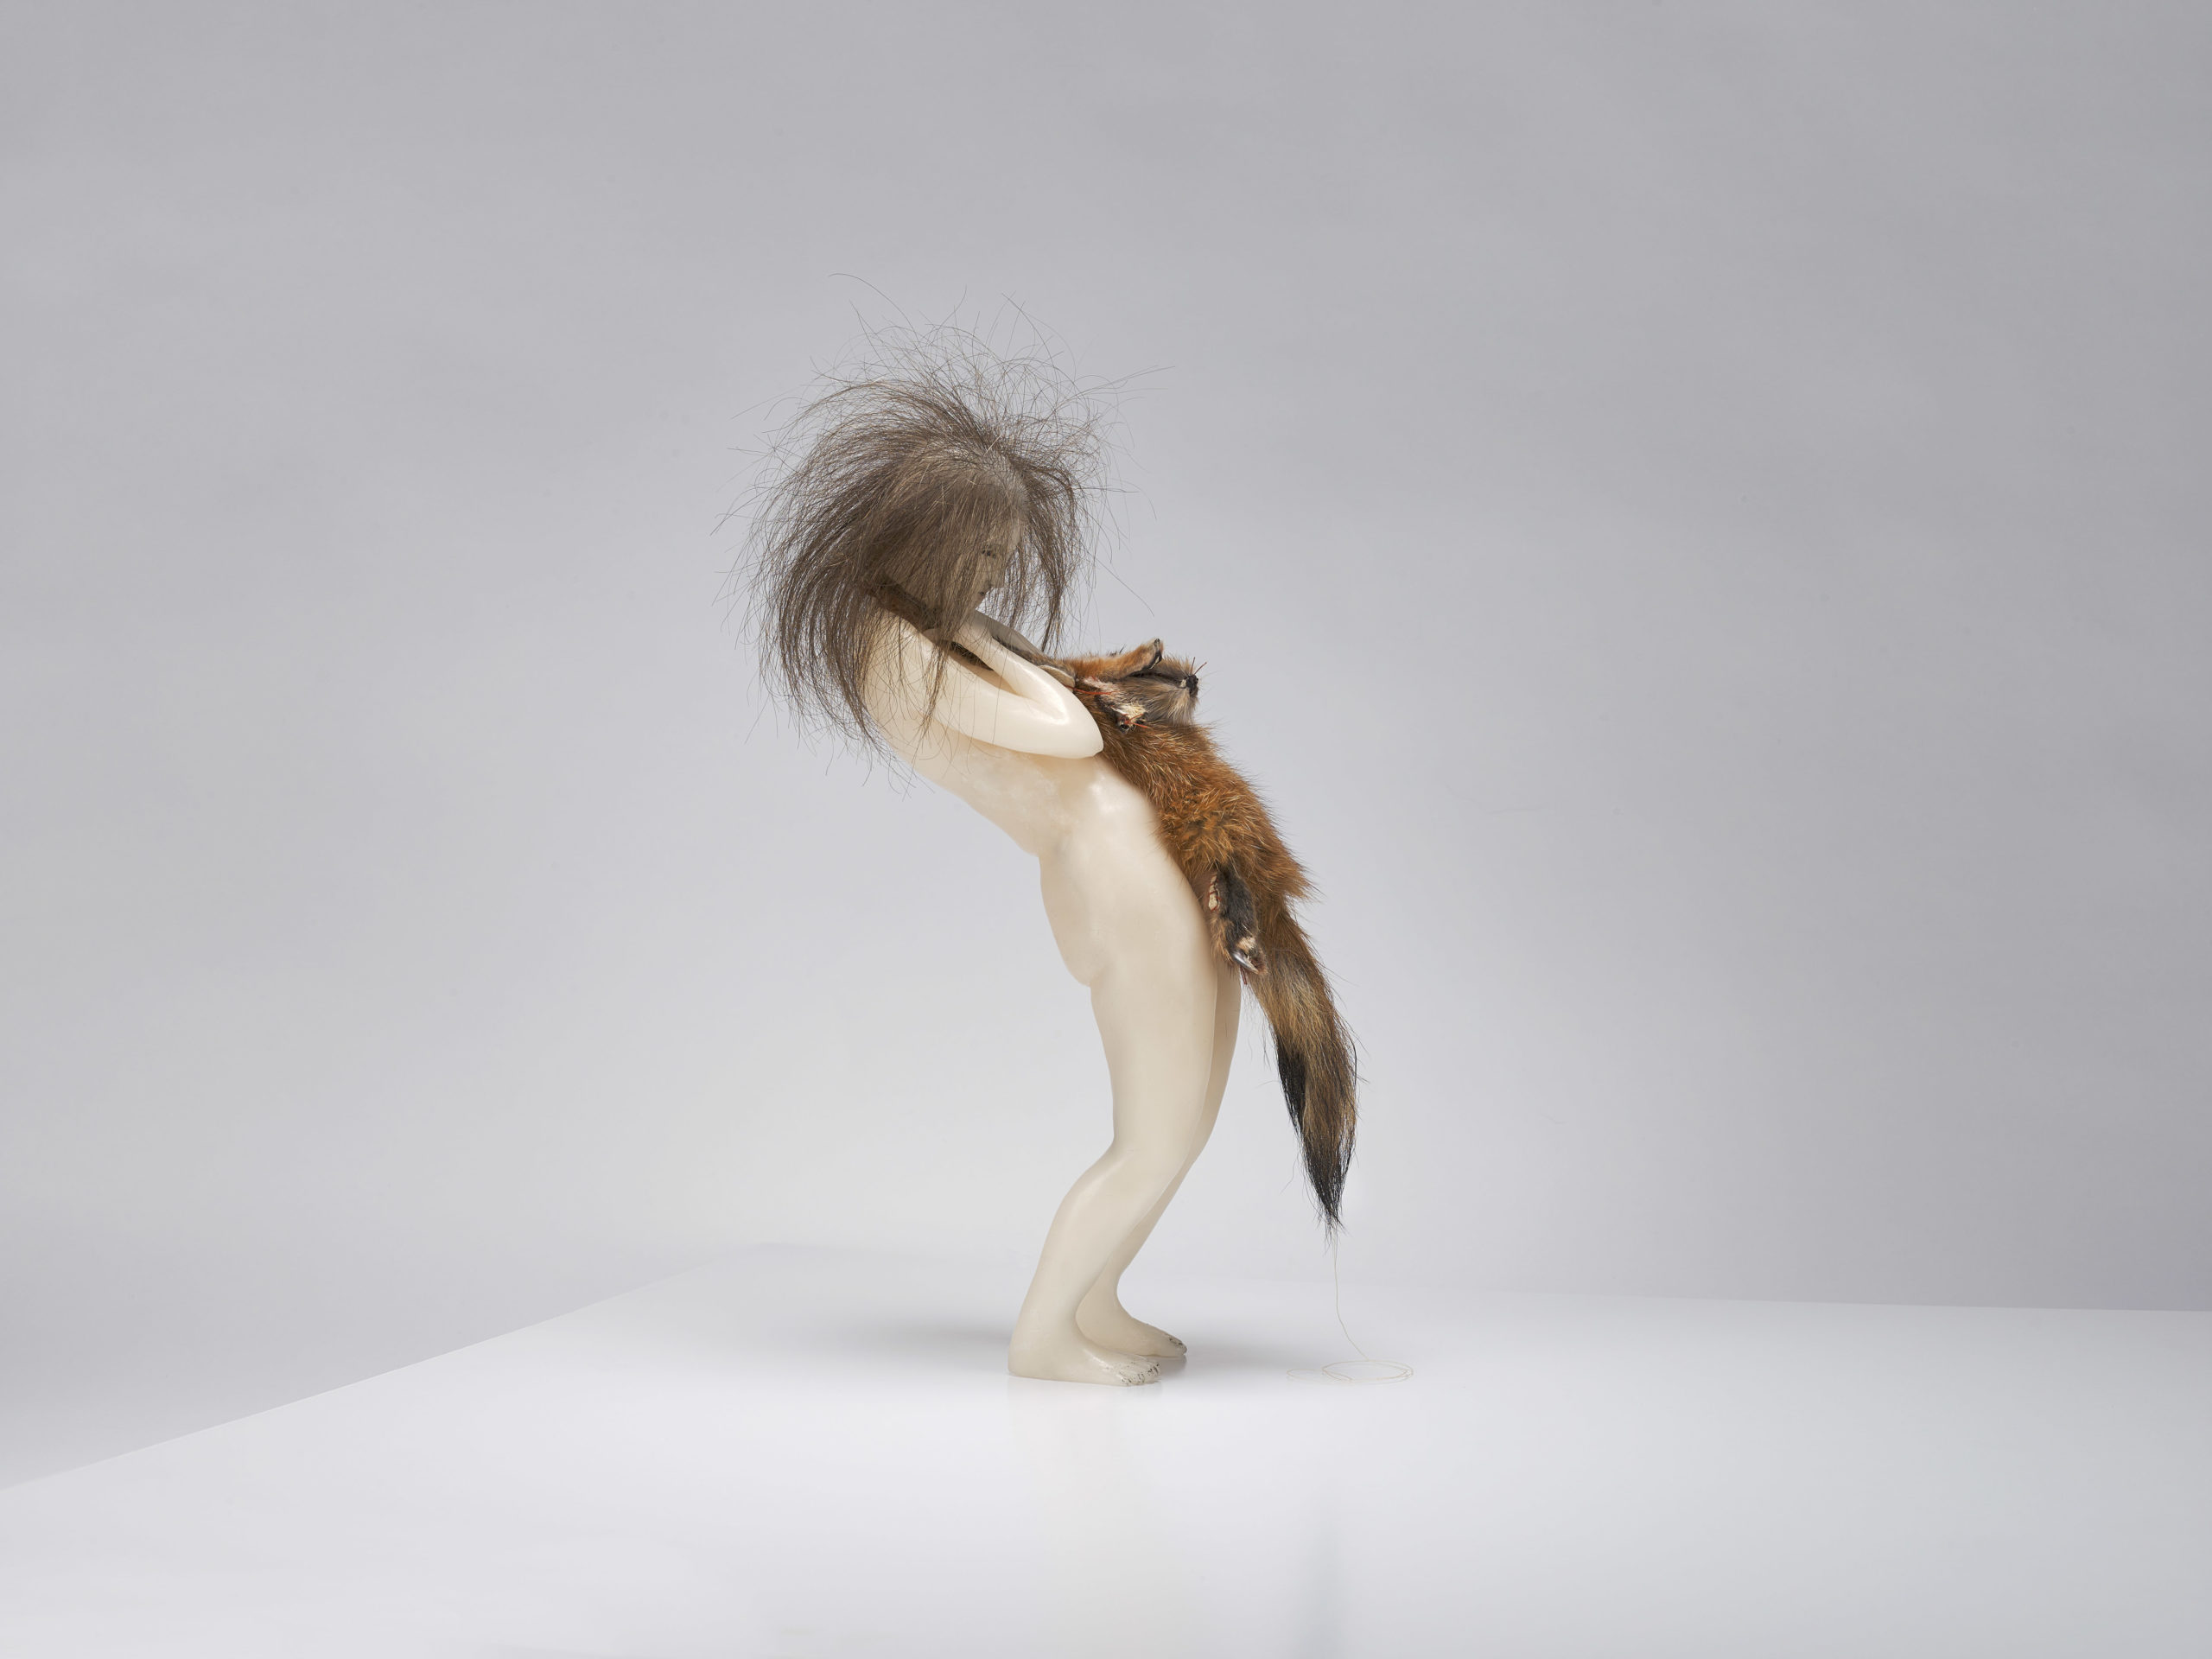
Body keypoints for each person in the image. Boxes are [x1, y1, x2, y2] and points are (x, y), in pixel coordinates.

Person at [747, 341, 1236, 1385]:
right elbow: (1067, 729)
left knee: (1190, 1116)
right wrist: (1002, 644)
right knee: (1153, 1132)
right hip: (1112, 874)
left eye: (1003, 558)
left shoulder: (943, 628)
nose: (994, 577)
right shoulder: (888, 644)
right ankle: (1046, 1336)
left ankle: (1096, 1301)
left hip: (1143, 859)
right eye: (980, 554)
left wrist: (992, 633)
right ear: (916, 538)